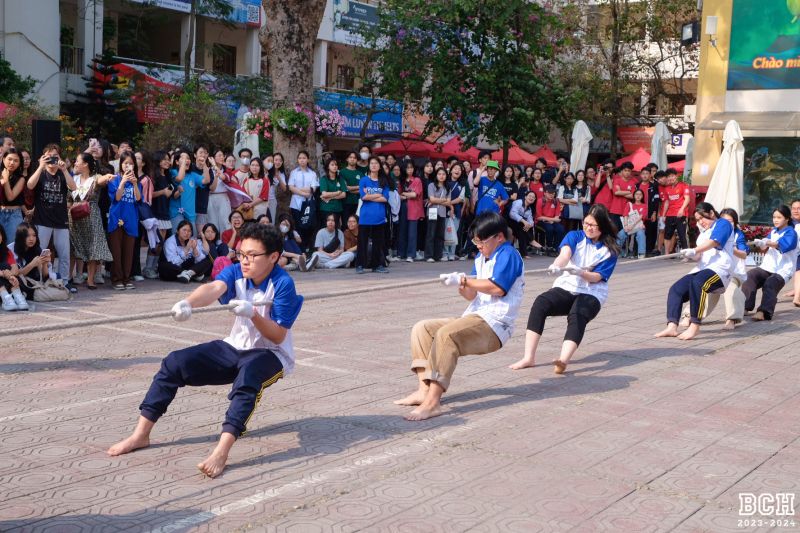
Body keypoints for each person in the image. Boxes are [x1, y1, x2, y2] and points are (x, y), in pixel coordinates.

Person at [108, 224, 303, 478]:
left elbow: (278, 335)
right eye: (241, 253)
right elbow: (214, 289)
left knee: (248, 378)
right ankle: (140, 434)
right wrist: (188, 303)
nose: (244, 261)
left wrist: (253, 314)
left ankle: (221, 451)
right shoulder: (236, 271)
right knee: (174, 363)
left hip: (271, 353)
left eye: (252, 256)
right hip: (235, 345)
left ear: (274, 257)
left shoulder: (283, 284)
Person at [396, 211, 524, 421]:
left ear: (499, 237)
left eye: (481, 241)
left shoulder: (509, 254)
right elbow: (471, 294)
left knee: (446, 335)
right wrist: (460, 283)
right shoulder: (482, 258)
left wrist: (465, 281)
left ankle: (433, 402)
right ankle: (423, 390)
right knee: (422, 329)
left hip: (496, 325)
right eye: (476, 241)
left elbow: (497, 288)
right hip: (475, 317)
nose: (478, 246)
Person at [510, 204, 619, 373]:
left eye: (593, 225)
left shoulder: (610, 251)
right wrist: (556, 265)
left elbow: (597, 277)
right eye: (586, 223)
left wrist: (581, 273)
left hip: (592, 291)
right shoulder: (575, 236)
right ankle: (528, 357)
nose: (588, 228)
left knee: (578, 313)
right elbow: (565, 254)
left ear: (602, 226)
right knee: (541, 303)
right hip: (568, 285)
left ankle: (563, 361)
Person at [655, 202, 734, 340]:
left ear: (711, 213)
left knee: (698, 283)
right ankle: (672, 326)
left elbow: (715, 242)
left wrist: (695, 250)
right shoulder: (703, 234)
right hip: (703, 268)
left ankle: (695, 326)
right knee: (676, 289)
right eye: (697, 220)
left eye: (702, 218)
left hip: (720, 270)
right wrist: (691, 254)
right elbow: (699, 256)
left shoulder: (723, 223)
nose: (700, 222)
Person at [26, 144, 77, 291]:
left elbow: (73, 187)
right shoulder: (40, 173)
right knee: (40, 253)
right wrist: (41, 166)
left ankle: (64, 281)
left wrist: (64, 169)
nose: (52, 160)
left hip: (61, 221)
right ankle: (40, 280)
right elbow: (30, 185)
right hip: (42, 220)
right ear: (43, 157)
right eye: (48, 156)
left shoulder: (62, 174)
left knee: (64, 254)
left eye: (55, 156)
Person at [743, 205, 798, 321]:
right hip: (768, 267)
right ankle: (745, 306)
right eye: (774, 217)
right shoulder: (773, 231)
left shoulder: (791, 233)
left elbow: (782, 245)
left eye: (779, 217)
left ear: (787, 218)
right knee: (750, 276)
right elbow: (765, 248)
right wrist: (761, 244)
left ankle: (764, 312)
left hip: (783, 270)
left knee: (770, 283)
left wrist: (767, 242)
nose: (776, 220)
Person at [70, 153, 113, 289]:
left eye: (77, 161)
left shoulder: (95, 178)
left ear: (85, 164)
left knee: (93, 248)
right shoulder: (73, 179)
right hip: (74, 217)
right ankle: (70, 276)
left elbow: (101, 180)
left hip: (91, 216)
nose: (75, 163)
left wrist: (108, 177)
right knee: (74, 247)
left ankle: (90, 279)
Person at [107, 151, 143, 290]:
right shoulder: (114, 179)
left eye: (131, 163)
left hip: (131, 219)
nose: (128, 166)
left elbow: (139, 199)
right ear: (121, 164)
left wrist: (134, 184)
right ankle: (117, 279)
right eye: (126, 163)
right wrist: (122, 182)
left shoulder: (136, 182)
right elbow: (116, 197)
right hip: (116, 219)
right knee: (116, 250)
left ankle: (127, 278)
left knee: (128, 252)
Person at [356, 157, 390, 274]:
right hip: (365, 217)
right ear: (369, 166)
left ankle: (377, 265)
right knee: (362, 243)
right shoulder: (364, 180)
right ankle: (360, 265)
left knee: (378, 243)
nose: (374, 165)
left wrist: (371, 195)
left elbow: (385, 198)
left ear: (379, 166)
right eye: (372, 163)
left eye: (376, 163)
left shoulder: (383, 181)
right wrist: (378, 194)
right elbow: (363, 197)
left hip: (379, 217)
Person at [288, 151, 318, 252]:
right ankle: (299, 250)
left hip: (308, 204)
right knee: (298, 226)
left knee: (309, 226)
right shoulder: (294, 172)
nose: (302, 160)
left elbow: (314, 188)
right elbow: (291, 187)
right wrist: (303, 193)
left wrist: (300, 190)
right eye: (300, 158)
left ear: (308, 159)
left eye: (304, 158)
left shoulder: (312, 173)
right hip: (296, 204)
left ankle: (306, 248)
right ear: (297, 160)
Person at [169, 149, 207, 231]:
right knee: (178, 237)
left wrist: (204, 165)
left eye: (188, 158)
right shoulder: (172, 172)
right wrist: (183, 163)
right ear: (176, 162)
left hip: (190, 214)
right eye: (183, 158)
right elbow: (179, 178)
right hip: (176, 212)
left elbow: (206, 180)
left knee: (192, 239)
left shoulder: (192, 175)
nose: (187, 160)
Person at [14, 223, 51, 302]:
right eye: (27, 236)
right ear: (21, 237)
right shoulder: (11, 250)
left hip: (34, 283)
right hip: (18, 283)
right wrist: (32, 264)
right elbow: (14, 274)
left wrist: (45, 263)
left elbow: (45, 277)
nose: (31, 239)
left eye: (34, 235)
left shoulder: (37, 249)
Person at [398, 161, 423, 262]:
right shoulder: (402, 180)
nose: (410, 170)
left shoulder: (417, 180)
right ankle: (401, 253)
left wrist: (404, 194)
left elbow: (414, 194)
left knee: (412, 232)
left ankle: (411, 254)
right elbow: (398, 195)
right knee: (402, 230)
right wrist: (404, 195)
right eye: (408, 168)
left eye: (411, 168)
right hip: (403, 207)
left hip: (414, 208)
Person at [661, 169, 691, 255]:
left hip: (681, 214)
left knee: (682, 235)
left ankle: (686, 255)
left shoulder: (683, 185)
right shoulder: (667, 188)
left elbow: (687, 199)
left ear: (676, 176)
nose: (671, 178)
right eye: (669, 176)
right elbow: (666, 202)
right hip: (670, 214)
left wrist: (682, 209)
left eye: (672, 176)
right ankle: (666, 254)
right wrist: (664, 214)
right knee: (667, 235)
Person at [424, 167, 450, 262]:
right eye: (439, 174)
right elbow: (432, 199)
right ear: (436, 175)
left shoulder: (447, 187)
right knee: (431, 234)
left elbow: (448, 202)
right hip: (432, 212)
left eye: (443, 174)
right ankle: (429, 256)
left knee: (440, 235)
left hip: (442, 213)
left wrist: (436, 200)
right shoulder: (431, 185)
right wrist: (443, 200)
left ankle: (438, 255)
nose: (441, 176)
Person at [0, 225, 28, 311]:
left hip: (8, 282)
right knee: (4, 269)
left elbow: (15, 268)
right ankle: (5, 297)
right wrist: (5, 274)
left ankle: (17, 295)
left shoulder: (6, 251)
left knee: (6, 266)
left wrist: (10, 275)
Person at [1, 148, 26, 240]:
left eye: (16, 160)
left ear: (19, 163)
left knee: (12, 245)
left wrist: (6, 180)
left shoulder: (21, 178)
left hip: (14, 215)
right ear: (3, 159)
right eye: (9, 159)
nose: (12, 163)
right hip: (0, 212)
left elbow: (10, 197)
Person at [509, 190, 542, 258]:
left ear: (535, 200)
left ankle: (524, 252)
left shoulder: (529, 209)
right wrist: (524, 221)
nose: (531, 198)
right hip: (509, 220)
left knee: (524, 229)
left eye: (533, 197)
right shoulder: (519, 202)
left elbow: (531, 221)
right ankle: (531, 241)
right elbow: (512, 214)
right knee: (522, 225)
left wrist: (529, 225)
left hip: (518, 225)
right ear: (525, 196)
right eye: (530, 196)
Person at [443, 164, 466, 261]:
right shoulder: (445, 182)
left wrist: (449, 203)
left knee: (454, 232)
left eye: (459, 169)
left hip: (456, 211)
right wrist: (448, 205)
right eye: (455, 169)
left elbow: (461, 198)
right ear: (451, 170)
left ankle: (452, 253)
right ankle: (444, 253)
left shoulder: (462, 184)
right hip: (444, 210)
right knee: (445, 231)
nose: (457, 171)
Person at [318, 158, 347, 230]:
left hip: (337, 209)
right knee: (325, 230)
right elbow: (324, 194)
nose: (335, 166)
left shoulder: (340, 179)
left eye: (336, 165)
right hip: (326, 209)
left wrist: (330, 197)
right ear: (328, 167)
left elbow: (344, 194)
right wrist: (337, 193)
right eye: (332, 165)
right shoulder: (324, 179)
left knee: (335, 230)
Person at [536, 185, 565, 253]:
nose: (551, 195)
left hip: (552, 221)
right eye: (549, 193)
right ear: (545, 193)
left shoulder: (556, 201)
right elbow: (539, 217)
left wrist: (552, 220)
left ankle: (556, 247)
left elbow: (557, 216)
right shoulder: (540, 201)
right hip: (541, 221)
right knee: (550, 229)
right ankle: (549, 247)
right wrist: (551, 219)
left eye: (553, 193)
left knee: (560, 228)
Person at [783, 199, 800, 306]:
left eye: (799, 208)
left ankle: (797, 296)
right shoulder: (788, 223)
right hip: (789, 252)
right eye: (793, 208)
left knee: (798, 271)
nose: (796, 211)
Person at [623, 188, 647, 259]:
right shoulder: (629, 204)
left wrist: (632, 226)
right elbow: (625, 215)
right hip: (629, 226)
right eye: (636, 194)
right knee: (621, 234)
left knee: (640, 233)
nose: (638, 196)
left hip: (639, 226)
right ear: (634, 196)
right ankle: (616, 252)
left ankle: (641, 253)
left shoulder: (644, 206)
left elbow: (641, 217)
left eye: (640, 194)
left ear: (642, 196)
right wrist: (626, 226)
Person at [339, 151, 362, 223]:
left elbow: (363, 189)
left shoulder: (360, 173)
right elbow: (344, 188)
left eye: (354, 158)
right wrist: (358, 187)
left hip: (358, 202)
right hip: (345, 202)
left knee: (357, 224)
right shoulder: (342, 172)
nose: (352, 159)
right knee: (346, 224)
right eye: (350, 157)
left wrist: (349, 189)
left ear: (357, 160)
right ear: (347, 159)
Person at [266, 153, 288, 224]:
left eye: (280, 160)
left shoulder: (281, 173)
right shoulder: (266, 170)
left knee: (271, 222)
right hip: (262, 199)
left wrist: (278, 177)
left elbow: (284, 188)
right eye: (276, 160)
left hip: (272, 200)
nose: (278, 162)